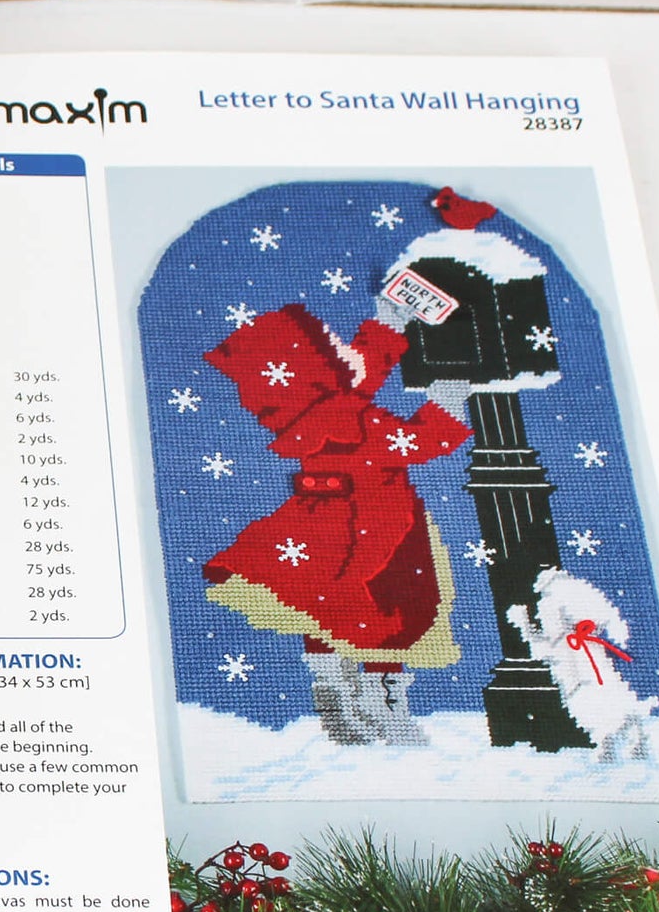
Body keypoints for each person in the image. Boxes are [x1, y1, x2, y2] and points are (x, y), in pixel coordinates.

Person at [201, 301, 469, 745]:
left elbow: (359, 371)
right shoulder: (349, 415)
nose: (343, 347)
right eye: (332, 345)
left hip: (322, 526)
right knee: (389, 610)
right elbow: (414, 443)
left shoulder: (310, 408)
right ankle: (384, 702)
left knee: (322, 607)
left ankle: (336, 692)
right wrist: (447, 405)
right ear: (318, 369)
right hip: (378, 528)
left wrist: (387, 324)